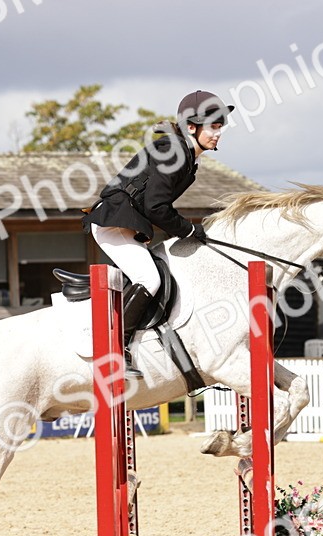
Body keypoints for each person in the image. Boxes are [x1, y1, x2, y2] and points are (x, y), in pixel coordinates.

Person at [82, 90, 234, 377]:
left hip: (126, 222)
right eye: (213, 126)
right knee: (148, 278)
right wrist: (190, 229)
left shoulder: (186, 155)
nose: (218, 133)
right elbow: (156, 206)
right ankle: (114, 352)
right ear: (192, 127)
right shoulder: (175, 152)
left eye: (219, 127)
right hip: (113, 221)